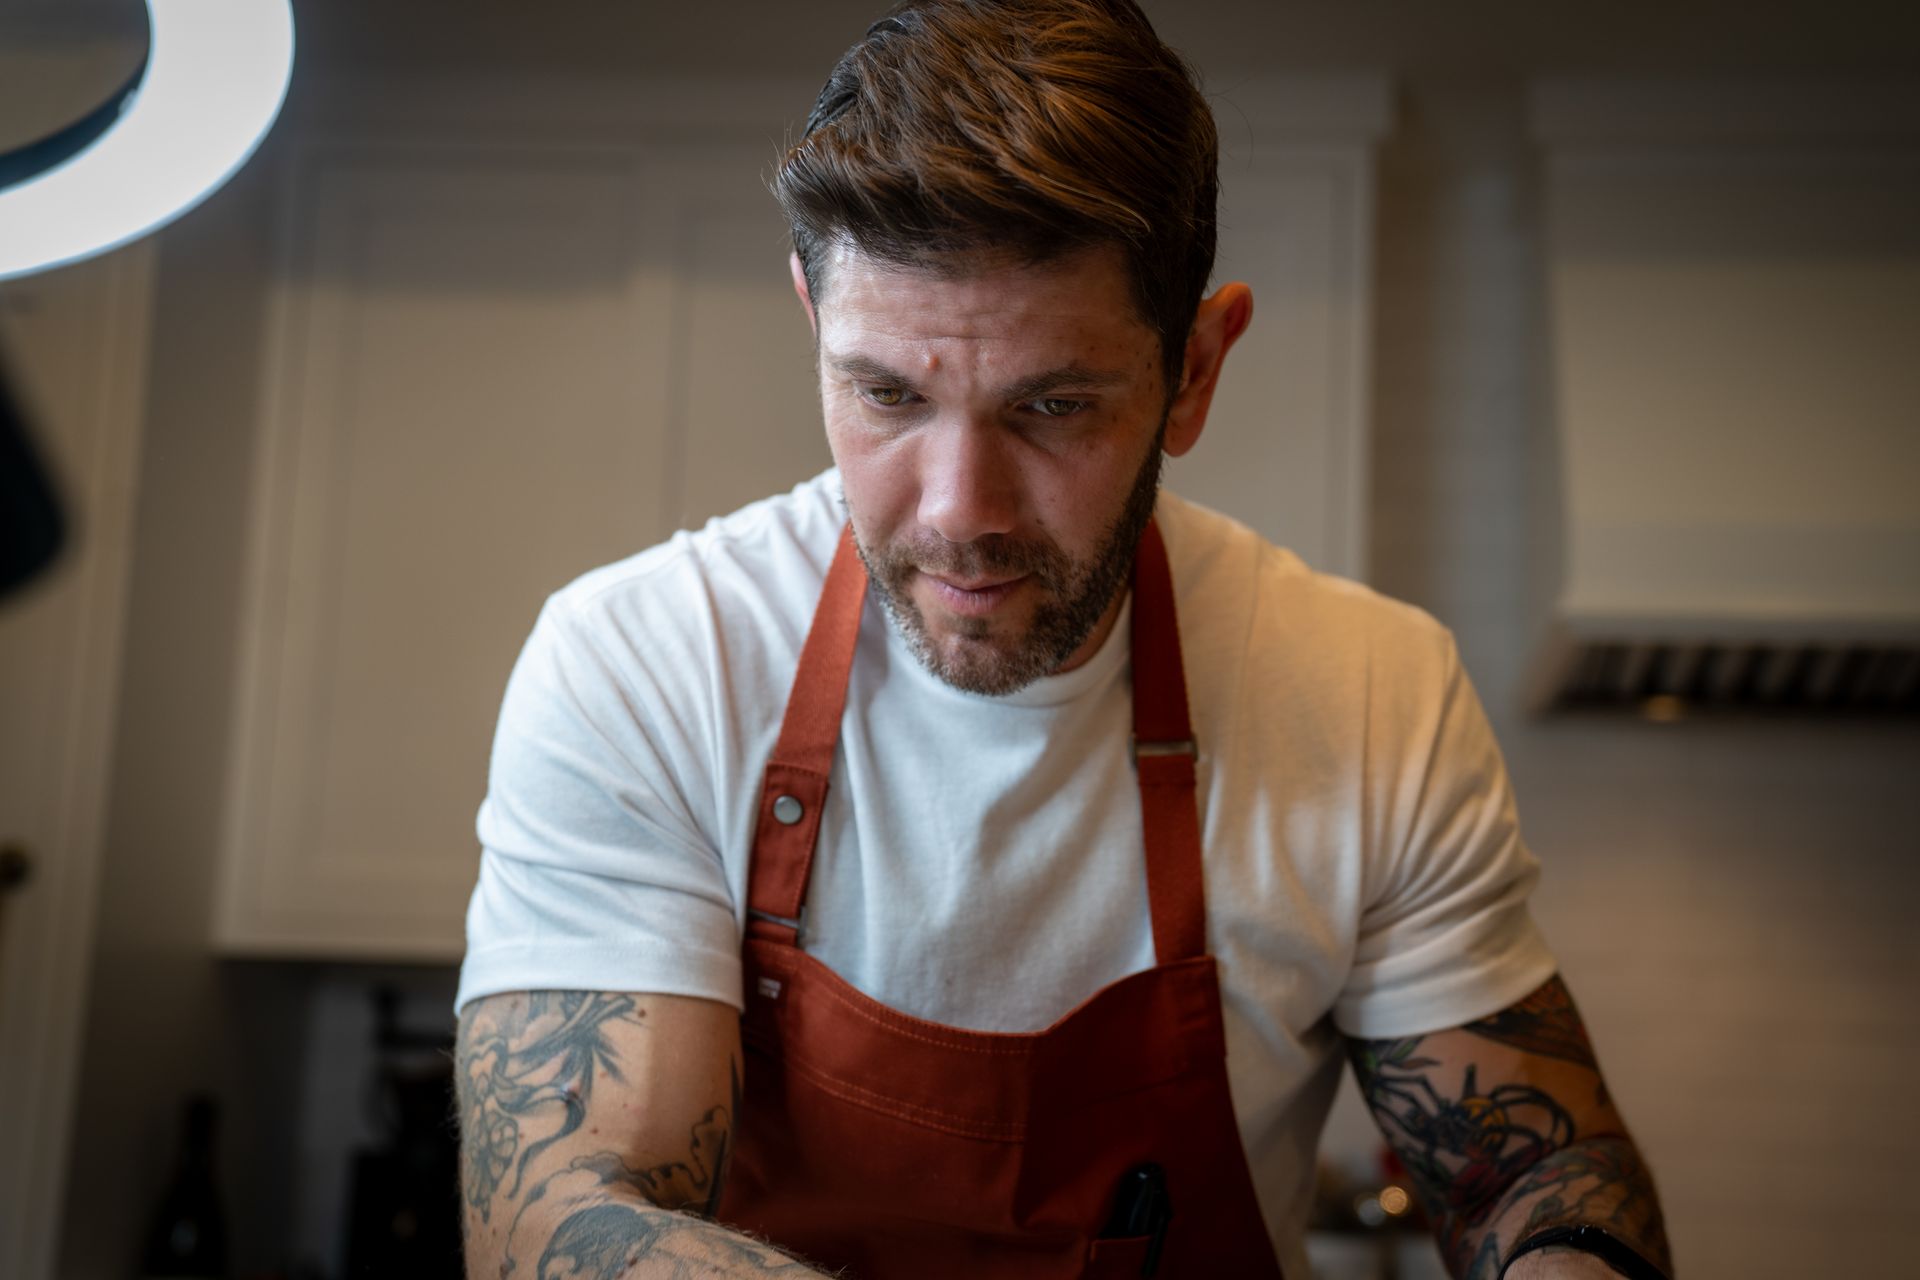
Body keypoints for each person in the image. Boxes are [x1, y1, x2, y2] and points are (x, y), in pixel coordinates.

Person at [453, 2, 1673, 1277]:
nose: (957, 512)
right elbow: (559, 1213)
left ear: (1193, 370)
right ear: (813, 315)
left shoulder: (1370, 693)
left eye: (1051, 405)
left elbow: (1538, 1165)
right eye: (887, 395)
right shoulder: (648, 660)